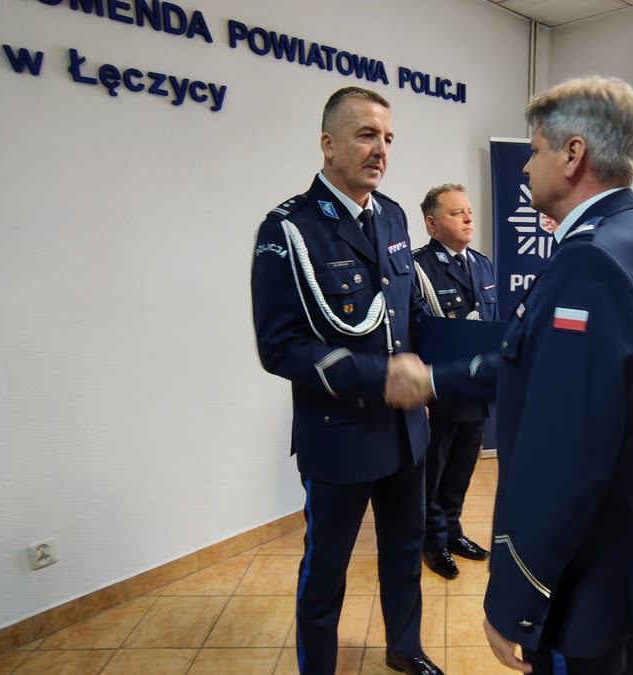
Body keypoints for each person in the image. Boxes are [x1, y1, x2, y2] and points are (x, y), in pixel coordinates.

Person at [388, 76, 633, 675]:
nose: (524, 167)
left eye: (536, 149)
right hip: (621, 547)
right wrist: (435, 380)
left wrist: (517, 602)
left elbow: (566, 455)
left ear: (573, 154)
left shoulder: (592, 259)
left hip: (584, 574)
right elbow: (535, 360)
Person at [250, 87, 443, 675]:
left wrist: (447, 368)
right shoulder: (289, 229)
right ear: (328, 144)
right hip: (339, 433)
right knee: (326, 570)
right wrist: (382, 376)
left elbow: (408, 314)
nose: (380, 149)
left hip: (405, 431)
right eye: (366, 135)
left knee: (404, 551)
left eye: (388, 138)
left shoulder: (393, 216)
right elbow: (280, 346)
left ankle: (405, 648)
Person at [411, 183, 498, 580]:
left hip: (475, 387)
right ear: (432, 224)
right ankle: (431, 540)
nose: (467, 218)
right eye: (456, 213)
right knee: (433, 470)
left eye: (469, 211)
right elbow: (412, 332)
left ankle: (453, 530)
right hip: (439, 389)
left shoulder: (482, 264)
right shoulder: (417, 267)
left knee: (462, 467)